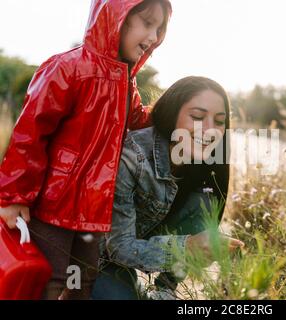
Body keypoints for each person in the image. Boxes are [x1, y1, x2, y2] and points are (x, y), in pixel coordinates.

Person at [0, 0, 173, 300]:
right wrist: (13, 196)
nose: (154, 36)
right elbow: (30, 133)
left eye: (160, 29)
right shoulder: (69, 67)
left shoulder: (125, 83)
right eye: (147, 23)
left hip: (91, 212)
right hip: (53, 207)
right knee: (51, 280)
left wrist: (170, 110)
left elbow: (137, 121)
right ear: (115, 17)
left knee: (81, 279)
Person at [91, 76, 244, 300]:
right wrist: (187, 247)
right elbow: (118, 247)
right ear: (173, 114)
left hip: (140, 243)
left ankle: (164, 289)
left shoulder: (204, 162)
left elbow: (198, 221)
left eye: (219, 121)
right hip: (98, 256)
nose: (211, 130)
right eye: (198, 117)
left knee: (203, 200)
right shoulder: (131, 157)